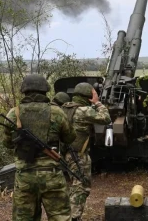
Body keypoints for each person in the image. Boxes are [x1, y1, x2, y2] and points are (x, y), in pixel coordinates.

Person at [3, 74, 76, 221]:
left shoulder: (14, 113)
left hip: (25, 177)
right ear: (45, 90)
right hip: (52, 175)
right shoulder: (56, 112)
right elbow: (70, 138)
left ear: (24, 91)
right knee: (60, 217)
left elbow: (8, 143)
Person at [61, 82, 112, 221]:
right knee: (81, 187)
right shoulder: (84, 111)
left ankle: (68, 215)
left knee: (72, 185)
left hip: (63, 154)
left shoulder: (64, 108)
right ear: (88, 97)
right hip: (78, 155)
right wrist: (98, 103)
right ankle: (74, 217)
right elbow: (106, 118)